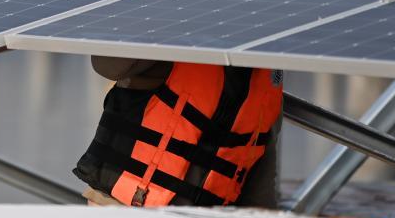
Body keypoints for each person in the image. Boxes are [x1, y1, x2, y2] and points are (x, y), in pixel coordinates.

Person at [75, 57, 282, 207]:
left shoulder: (267, 76)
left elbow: (260, 187)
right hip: (120, 209)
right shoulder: (177, 35)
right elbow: (106, 64)